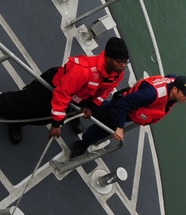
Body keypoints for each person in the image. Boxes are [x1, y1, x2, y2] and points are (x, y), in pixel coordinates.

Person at [0, 37, 129, 144]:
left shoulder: (117, 73)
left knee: (41, 117)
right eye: (120, 61)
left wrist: (92, 105)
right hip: (52, 88)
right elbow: (62, 93)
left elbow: (105, 91)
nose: (123, 65)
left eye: (125, 62)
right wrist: (56, 124)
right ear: (108, 58)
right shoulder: (83, 71)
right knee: (21, 103)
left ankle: (17, 122)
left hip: (74, 98)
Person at [70, 74, 186, 157]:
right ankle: (81, 144)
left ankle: (75, 110)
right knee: (102, 128)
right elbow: (123, 105)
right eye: (185, 94)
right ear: (175, 90)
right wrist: (119, 127)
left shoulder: (173, 82)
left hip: (130, 105)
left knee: (100, 111)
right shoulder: (151, 95)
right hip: (122, 107)